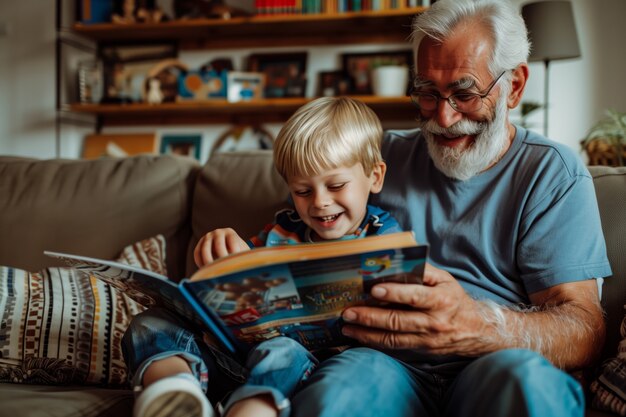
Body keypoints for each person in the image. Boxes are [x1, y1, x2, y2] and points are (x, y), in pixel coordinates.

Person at [283, 1, 613, 417]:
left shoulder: (552, 173)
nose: (443, 116)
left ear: (514, 86)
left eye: (464, 93)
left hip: (493, 358)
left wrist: (477, 326)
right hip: (384, 361)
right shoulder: (374, 162)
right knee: (335, 396)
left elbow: (584, 329)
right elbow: (297, 234)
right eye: (427, 92)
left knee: (529, 387)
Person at [122, 96, 402, 417]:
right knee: (149, 322)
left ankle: (252, 410)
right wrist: (224, 254)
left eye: (336, 185)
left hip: (298, 370)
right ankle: (175, 392)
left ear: (375, 176)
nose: (320, 202)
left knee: (280, 349)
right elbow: (236, 285)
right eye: (303, 191)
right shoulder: (280, 231)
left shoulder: (382, 236)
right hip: (231, 362)